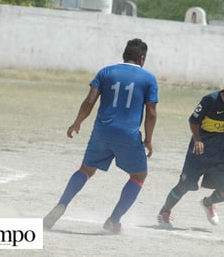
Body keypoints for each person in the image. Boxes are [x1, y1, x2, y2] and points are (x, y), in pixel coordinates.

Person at [43, 38, 158, 234]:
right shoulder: (148, 78)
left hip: (102, 131)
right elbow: (152, 112)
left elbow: (89, 101)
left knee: (86, 169)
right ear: (142, 59)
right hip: (128, 135)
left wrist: (77, 122)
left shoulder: (106, 72)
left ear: (123, 55)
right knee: (139, 175)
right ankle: (114, 220)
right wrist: (147, 139)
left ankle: (61, 204)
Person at [157, 70, 224, 228]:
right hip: (198, 153)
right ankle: (164, 212)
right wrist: (198, 139)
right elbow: (193, 120)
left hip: (220, 156)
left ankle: (208, 203)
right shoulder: (211, 100)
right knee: (184, 186)